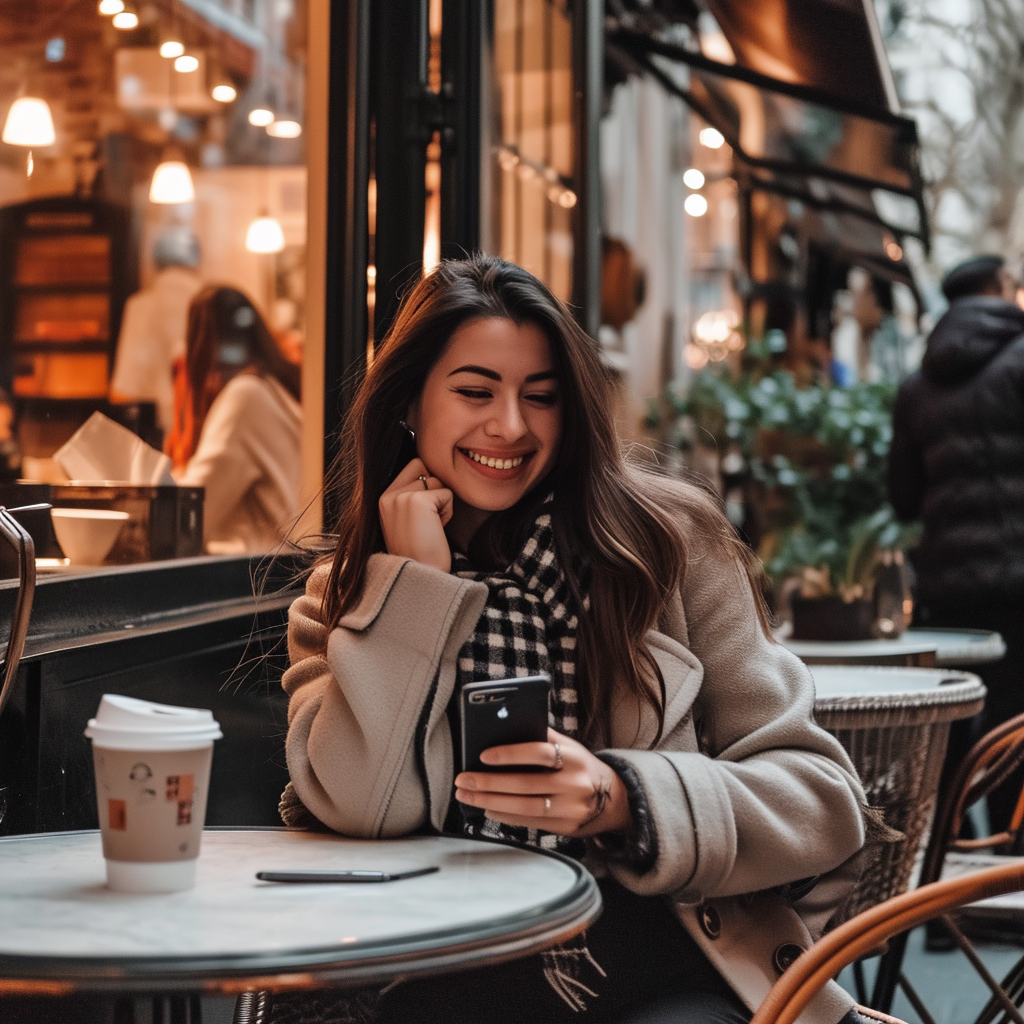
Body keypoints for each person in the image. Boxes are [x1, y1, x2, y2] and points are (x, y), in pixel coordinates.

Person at [279, 255, 867, 1024]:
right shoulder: (348, 591)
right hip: (443, 968)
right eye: (475, 391)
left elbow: (823, 801)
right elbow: (358, 806)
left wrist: (624, 798)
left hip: (667, 965)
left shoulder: (669, 549)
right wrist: (415, 593)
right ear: (410, 406)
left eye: (541, 397)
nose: (511, 426)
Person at [889, 254, 1024, 833]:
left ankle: (947, 864)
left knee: (956, 723)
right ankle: (1005, 864)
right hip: (1020, 582)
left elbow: (903, 499)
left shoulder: (917, 387)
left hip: (948, 584)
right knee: (1015, 724)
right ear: (1001, 289)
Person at [168, 285, 302, 554]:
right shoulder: (275, 388)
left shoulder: (246, 396)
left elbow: (188, 517)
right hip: (284, 571)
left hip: (263, 579)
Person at [110, 227, 203, 434]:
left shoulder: (139, 306)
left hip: (152, 426)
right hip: (204, 422)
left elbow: (125, 387)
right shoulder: (210, 303)